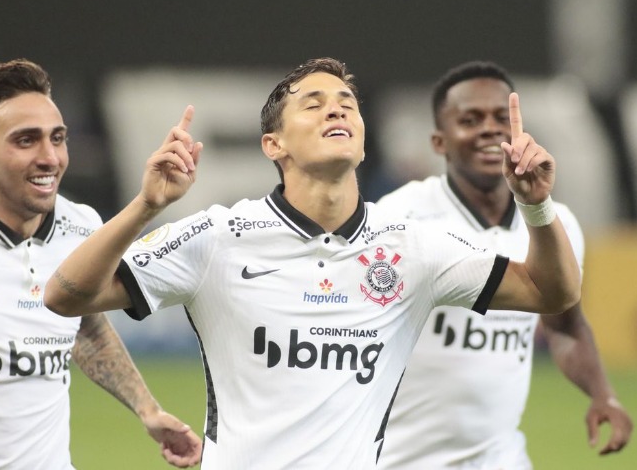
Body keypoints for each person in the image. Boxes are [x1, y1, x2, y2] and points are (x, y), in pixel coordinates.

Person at [43, 57, 582, 469]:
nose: (337, 109)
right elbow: (66, 295)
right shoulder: (218, 236)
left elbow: (551, 292)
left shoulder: (413, 247)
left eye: (347, 102)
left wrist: (535, 206)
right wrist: (146, 206)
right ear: (273, 144)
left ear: (363, 143)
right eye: (314, 103)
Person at [0, 59, 201, 469]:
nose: (50, 157)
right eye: (26, 140)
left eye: (57, 138)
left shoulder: (82, 226)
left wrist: (147, 409)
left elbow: (86, 327)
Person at [376, 60, 633, 469]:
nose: (490, 129)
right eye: (470, 119)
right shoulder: (399, 217)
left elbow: (565, 326)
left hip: (502, 458)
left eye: (501, 117)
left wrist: (604, 395)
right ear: (439, 141)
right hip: (401, 460)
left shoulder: (556, 224)